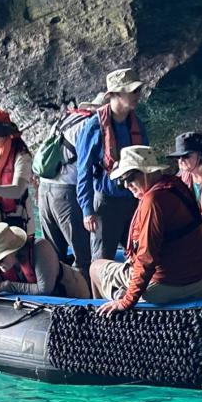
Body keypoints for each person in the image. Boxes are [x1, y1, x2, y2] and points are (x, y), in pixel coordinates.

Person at [0, 223, 89, 364]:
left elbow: (44, 289)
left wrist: (6, 286)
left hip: (73, 293)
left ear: (13, 250)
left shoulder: (40, 248)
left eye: (0, 258)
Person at [91, 146, 202, 313]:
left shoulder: (152, 201)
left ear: (146, 172)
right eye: (122, 180)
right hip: (197, 283)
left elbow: (147, 258)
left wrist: (126, 302)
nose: (126, 185)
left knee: (95, 267)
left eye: (130, 177)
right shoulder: (177, 186)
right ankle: (120, 297)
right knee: (125, 272)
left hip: (165, 288)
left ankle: (101, 326)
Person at [75, 67, 147, 260]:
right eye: (132, 90)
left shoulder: (138, 125)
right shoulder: (93, 127)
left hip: (133, 200)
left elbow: (147, 165)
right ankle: (98, 292)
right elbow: (84, 170)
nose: (137, 95)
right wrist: (87, 210)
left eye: (137, 90)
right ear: (114, 95)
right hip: (106, 203)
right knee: (101, 260)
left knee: (139, 255)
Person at [36, 97, 102, 276]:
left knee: (53, 253)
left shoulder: (63, 120)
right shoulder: (92, 125)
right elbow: (89, 168)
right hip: (65, 193)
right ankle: (84, 298)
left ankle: (56, 295)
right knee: (83, 255)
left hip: (44, 191)